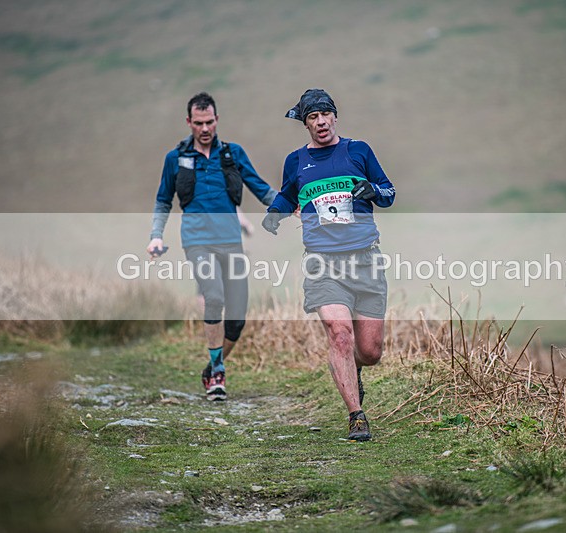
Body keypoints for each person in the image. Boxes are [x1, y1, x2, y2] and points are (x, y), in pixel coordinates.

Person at [261, 88, 396, 441]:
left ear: (335, 116)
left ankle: (354, 370)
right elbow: (289, 193)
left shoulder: (358, 151)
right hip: (322, 263)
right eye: (312, 118)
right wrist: (274, 214)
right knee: (339, 334)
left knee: (370, 351)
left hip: (365, 261)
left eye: (325, 115)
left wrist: (373, 192)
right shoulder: (296, 160)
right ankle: (356, 415)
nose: (320, 122)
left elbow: (388, 192)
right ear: (305, 123)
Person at [147, 92, 277, 401]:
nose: (205, 129)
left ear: (216, 120)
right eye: (199, 123)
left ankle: (212, 366)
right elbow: (163, 200)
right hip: (197, 242)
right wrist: (156, 235)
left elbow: (259, 187)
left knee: (237, 321)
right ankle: (218, 375)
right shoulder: (175, 159)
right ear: (189, 122)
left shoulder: (232, 154)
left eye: (210, 122)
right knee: (214, 297)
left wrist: (288, 206)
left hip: (230, 241)